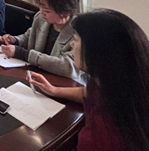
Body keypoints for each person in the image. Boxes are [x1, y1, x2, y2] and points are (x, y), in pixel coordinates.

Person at [27, 9, 149, 151]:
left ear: (97, 52)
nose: (72, 45)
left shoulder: (100, 135)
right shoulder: (126, 85)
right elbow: (94, 93)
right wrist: (55, 90)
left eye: (75, 40)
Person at [0, 0, 84, 82]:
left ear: (65, 13)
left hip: (64, 83)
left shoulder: (79, 32)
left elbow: (68, 67)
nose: (42, 12)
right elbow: (29, 37)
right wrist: (15, 40)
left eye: (47, 11)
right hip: (37, 76)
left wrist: (23, 54)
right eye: (41, 7)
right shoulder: (41, 18)